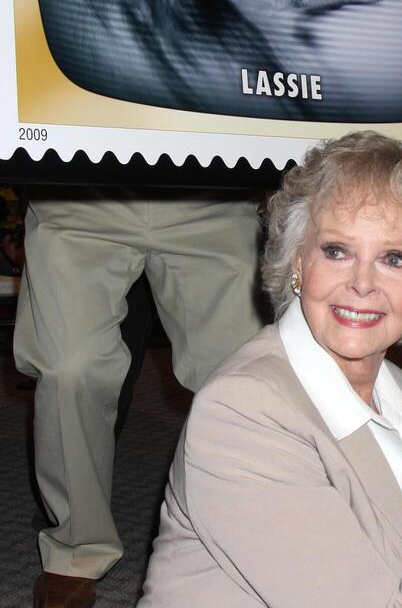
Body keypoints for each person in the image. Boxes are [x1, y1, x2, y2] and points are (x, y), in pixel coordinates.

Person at [141, 132, 402, 606]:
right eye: (337, 251)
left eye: (394, 259)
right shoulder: (240, 413)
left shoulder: (396, 390)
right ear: (298, 259)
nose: (362, 284)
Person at [14, 186, 264, 608]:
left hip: (211, 193)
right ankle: (75, 551)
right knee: (70, 370)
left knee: (241, 379)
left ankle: (231, 537)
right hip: (81, 190)